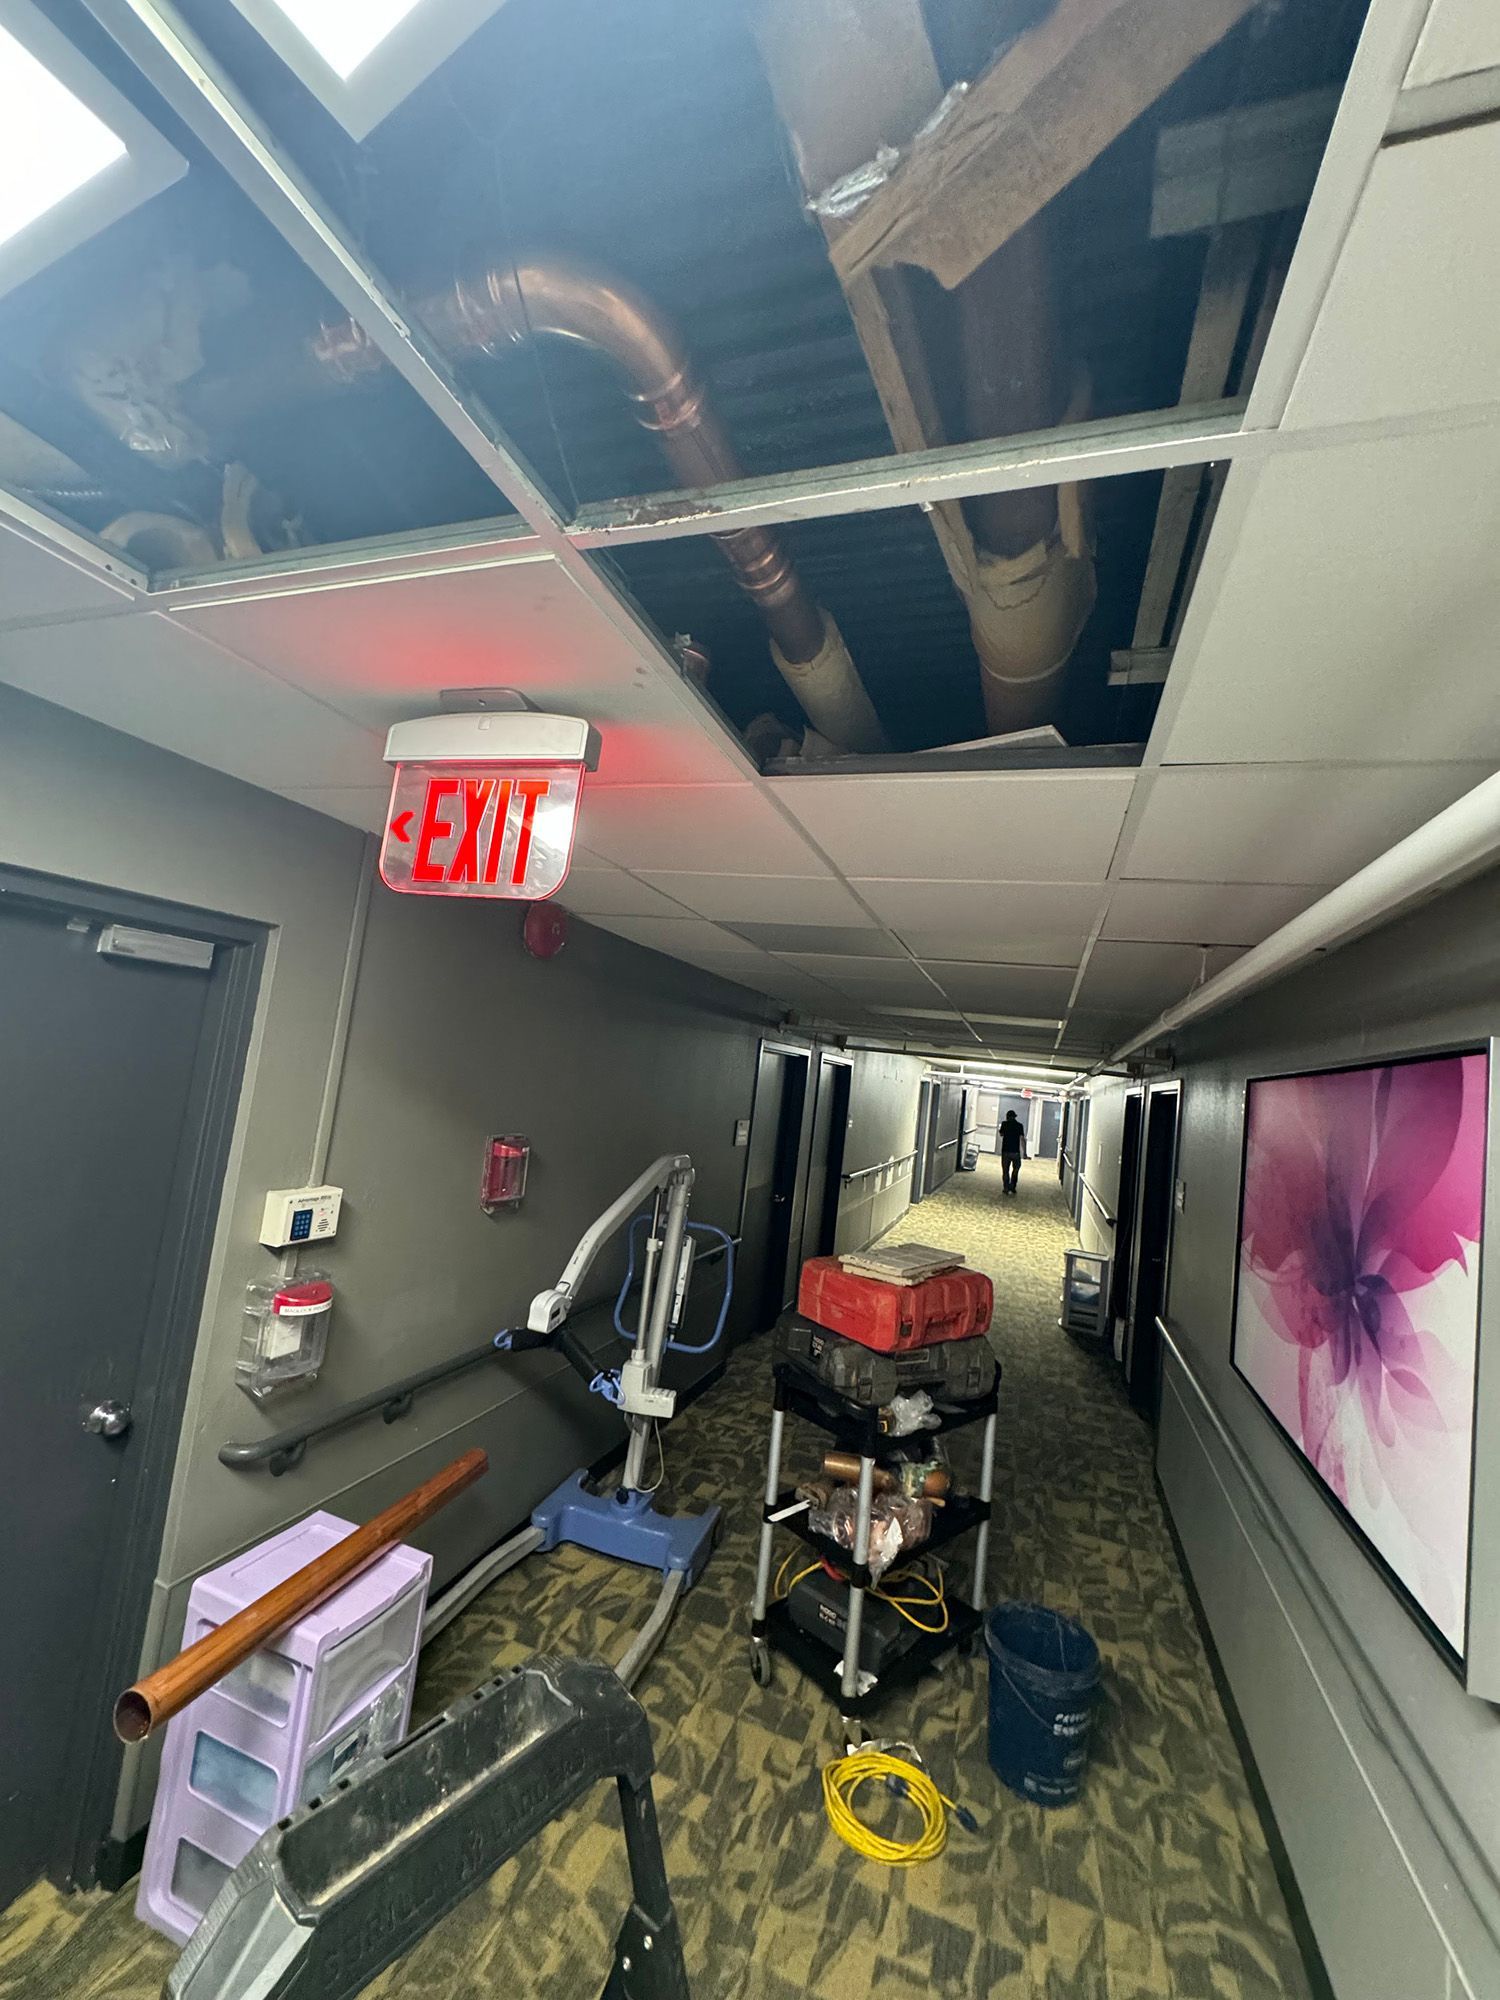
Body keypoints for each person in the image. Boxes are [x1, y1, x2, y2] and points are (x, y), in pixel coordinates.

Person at [998, 1110, 1027, 1195]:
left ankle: (1006, 1188)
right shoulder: (1019, 1126)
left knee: (1005, 1170)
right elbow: (1022, 1139)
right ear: (1015, 1117)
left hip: (1005, 1151)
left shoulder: (1004, 1124)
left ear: (1007, 1116)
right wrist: (1024, 1152)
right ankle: (1013, 1186)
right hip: (1015, 1152)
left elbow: (1001, 1134)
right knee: (1016, 1169)